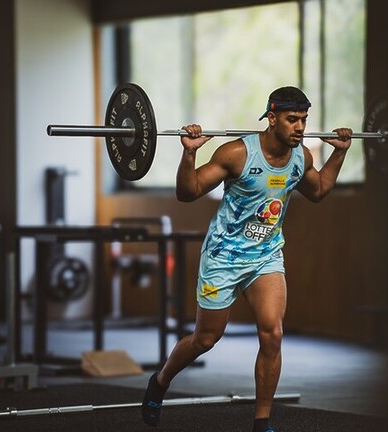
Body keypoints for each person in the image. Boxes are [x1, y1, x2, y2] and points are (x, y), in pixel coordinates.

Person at [141, 86, 352, 432]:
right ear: (271, 118)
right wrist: (190, 154)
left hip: (265, 256)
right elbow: (188, 192)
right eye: (291, 119)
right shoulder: (237, 153)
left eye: (303, 120)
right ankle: (161, 381)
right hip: (223, 257)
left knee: (272, 334)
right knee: (205, 339)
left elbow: (318, 191)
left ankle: (261, 421)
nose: (300, 127)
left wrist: (340, 154)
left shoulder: (301, 158)